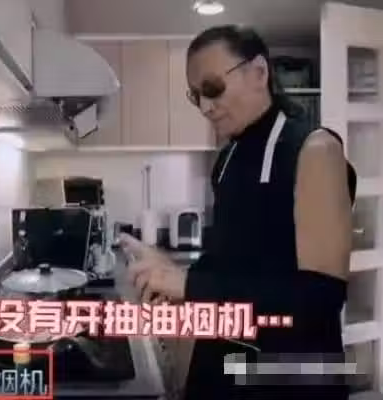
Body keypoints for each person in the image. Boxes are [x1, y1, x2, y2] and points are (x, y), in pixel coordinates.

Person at [119, 25, 356, 400]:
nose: (205, 106)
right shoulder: (228, 158)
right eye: (195, 95)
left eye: (213, 88)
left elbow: (320, 298)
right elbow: (230, 261)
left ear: (259, 72)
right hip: (226, 360)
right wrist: (174, 274)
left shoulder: (316, 150)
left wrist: (190, 285)